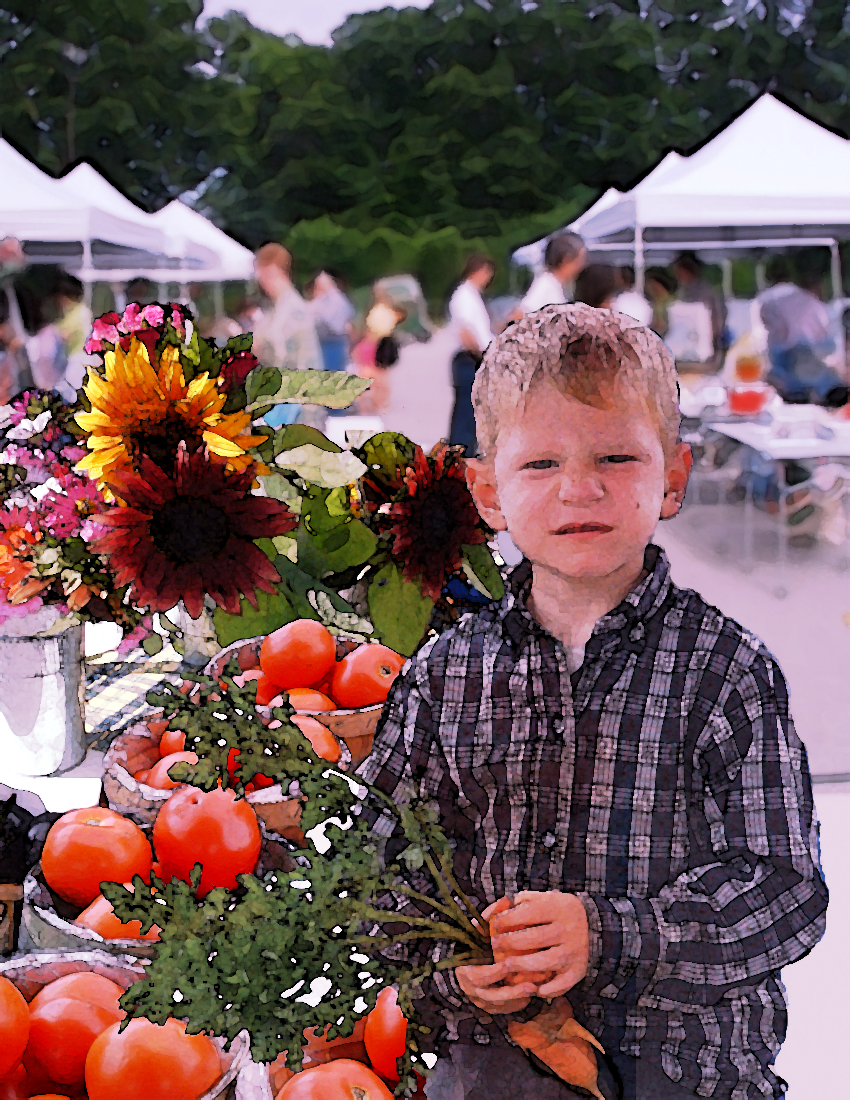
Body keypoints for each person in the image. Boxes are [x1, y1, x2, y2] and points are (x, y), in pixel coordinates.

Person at [357, 304, 827, 1100]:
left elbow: (785, 891)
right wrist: (446, 968)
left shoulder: (728, 671)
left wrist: (613, 933)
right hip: (490, 1064)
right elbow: (374, 870)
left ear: (672, 478)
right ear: (487, 493)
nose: (580, 488)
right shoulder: (443, 674)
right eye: (539, 464)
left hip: (690, 1070)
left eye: (617, 456)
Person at [758, 257, 847, 407]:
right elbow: (824, 333)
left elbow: (765, 335)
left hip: (785, 371)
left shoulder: (765, 301)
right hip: (806, 367)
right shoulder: (811, 301)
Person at [252, 243, 323, 428]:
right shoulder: (279, 308)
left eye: (261, 273)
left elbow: (282, 355)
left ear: (271, 269)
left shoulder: (290, 309)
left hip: (297, 410)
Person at [447, 254, 495, 457]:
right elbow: (466, 332)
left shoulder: (471, 295)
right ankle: (460, 456)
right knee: (466, 413)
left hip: (474, 356)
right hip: (470, 358)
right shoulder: (464, 295)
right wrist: (481, 355)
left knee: (471, 412)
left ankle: (463, 454)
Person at [670, 252, 726, 360]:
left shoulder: (706, 292)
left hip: (705, 346)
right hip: (689, 346)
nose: (676, 275)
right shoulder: (684, 291)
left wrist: (710, 341)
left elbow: (716, 320)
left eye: (678, 271)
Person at [519, 232, 587, 315]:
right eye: (580, 259)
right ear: (566, 259)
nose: (583, 265)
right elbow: (520, 314)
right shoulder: (546, 284)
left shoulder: (556, 286)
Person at [307, 270, 355, 373]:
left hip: (334, 344)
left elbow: (336, 324)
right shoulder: (320, 301)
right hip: (321, 345)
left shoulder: (336, 299)